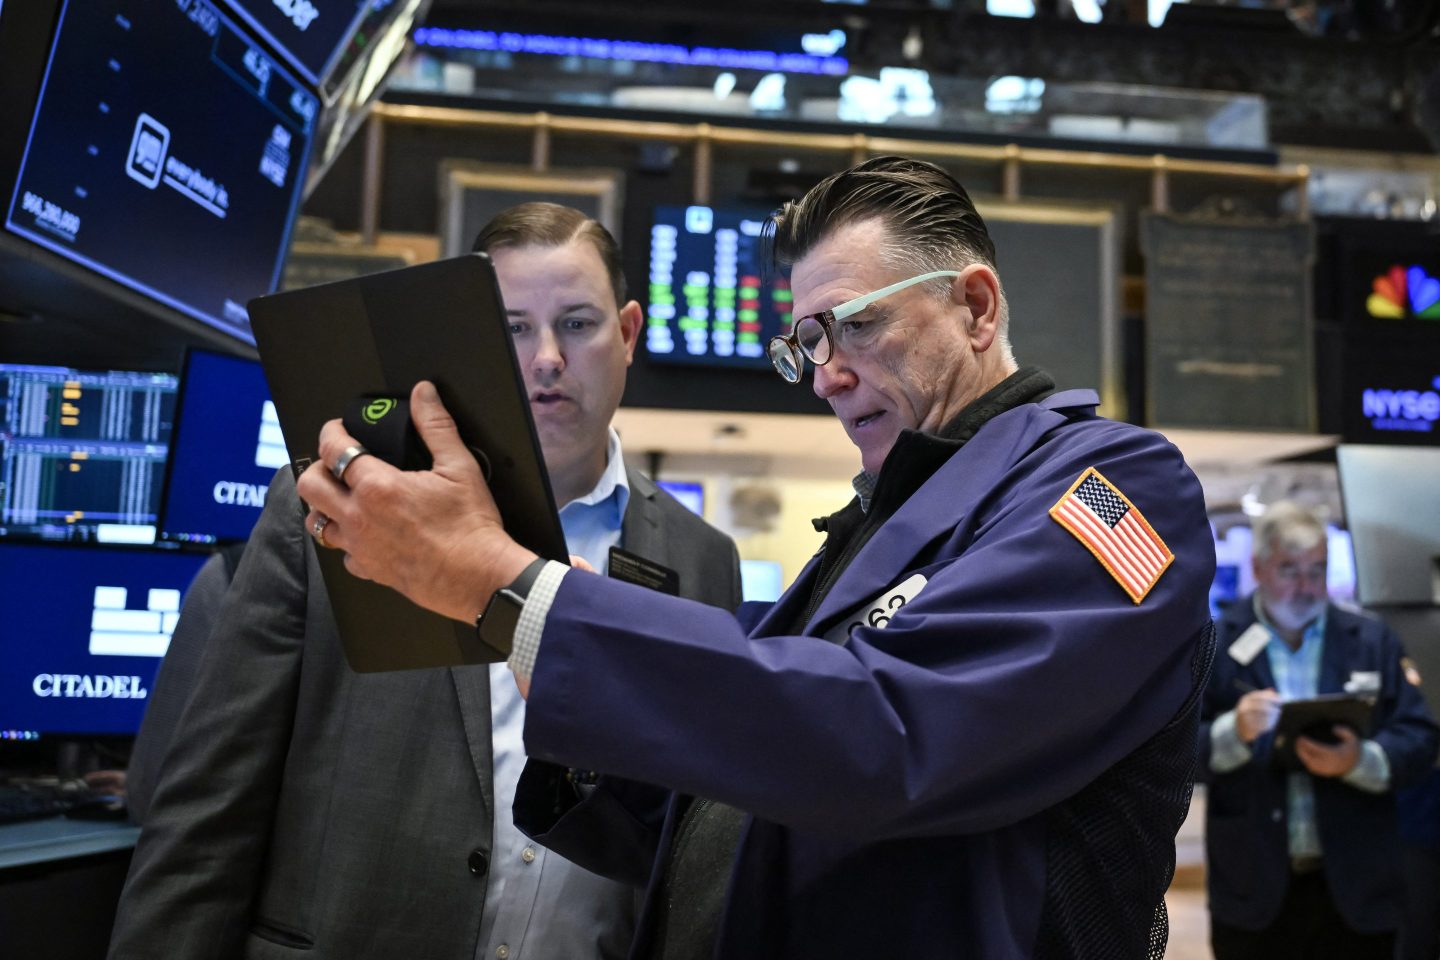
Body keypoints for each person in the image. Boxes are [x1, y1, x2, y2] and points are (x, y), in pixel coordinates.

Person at [296, 156, 1218, 958]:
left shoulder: (1110, 487)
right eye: (808, 343)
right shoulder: (877, 521)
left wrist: (519, 595)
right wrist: (582, 691)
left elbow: (893, 739)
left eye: (854, 325)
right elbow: (746, 803)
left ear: (974, 307)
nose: (826, 374)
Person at [107, 203, 742, 960]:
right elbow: (207, 814)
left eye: (577, 324)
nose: (546, 358)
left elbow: (692, 842)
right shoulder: (341, 504)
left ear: (628, 333)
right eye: (512, 328)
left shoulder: (704, 560)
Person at [1199, 500, 1439, 960]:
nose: (1306, 587)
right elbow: (1172, 754)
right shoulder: (1217, 642)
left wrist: (1362, 761)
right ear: (1258, 568)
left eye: (1318, 570)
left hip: (1357, 889)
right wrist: (1233, 733)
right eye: (1290, 570)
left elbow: (1420, 737)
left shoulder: (1371, 640)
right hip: (1254, 888)